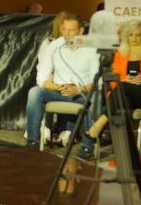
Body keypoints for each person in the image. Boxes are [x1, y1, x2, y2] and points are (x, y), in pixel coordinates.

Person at [24, 13, 92, 147]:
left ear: (80, 31)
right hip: (58, 91)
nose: (66, 34)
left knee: (96, 98)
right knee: (35, 92)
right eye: (64, 29)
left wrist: (79, 89)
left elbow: (98, 80)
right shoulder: (55, 45)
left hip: (81, 93)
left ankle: (87, 147)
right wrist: (54, 86)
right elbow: (42, 75)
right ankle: (32, 141)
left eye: (71, 30)